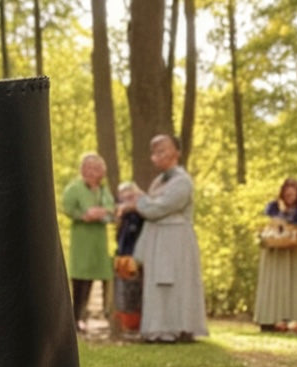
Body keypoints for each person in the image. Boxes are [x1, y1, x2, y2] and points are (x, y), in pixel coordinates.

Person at [127, 134, 208, 343]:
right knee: (158, 282)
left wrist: (139, 202)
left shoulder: (182, 181)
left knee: (174, 281)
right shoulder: (158, 181)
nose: (157, 155)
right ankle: (158, 329)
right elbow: (152, 207)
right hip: (158, 237)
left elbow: (159, 208)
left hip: (175, 238)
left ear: (176, 153)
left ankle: (179, 328)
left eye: (162, 150)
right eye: (154, 152)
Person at [253, 178, 297, 333]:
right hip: (275, 253)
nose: (290, 197)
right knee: (274, 284)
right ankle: (269, 319)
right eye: (287, 193)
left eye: (293, 194)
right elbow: (269, 224)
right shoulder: (272, 207)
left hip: (294, 252)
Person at [62, 153, 115, 335]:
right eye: (89, 168)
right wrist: (83, 215)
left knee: (98, 278)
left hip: (99, 242)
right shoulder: (74, 188)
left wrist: (102, 213)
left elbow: (111, 209)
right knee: (80, 280)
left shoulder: (103, 190)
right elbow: (67, 208)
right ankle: (76, 319)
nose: (93, 172)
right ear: (83, 170)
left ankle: (97, 317)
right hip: (82, 240)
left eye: (97, 168)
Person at [111, 181, 144, 335]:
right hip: (122, 256)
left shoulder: (140, 215)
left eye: (130, 194)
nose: (126, 198)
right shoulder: (122, 216)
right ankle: (126, 326)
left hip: (135, 257)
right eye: (123, 195)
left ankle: (134, 326)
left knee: (134, 292)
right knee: (123, 292)